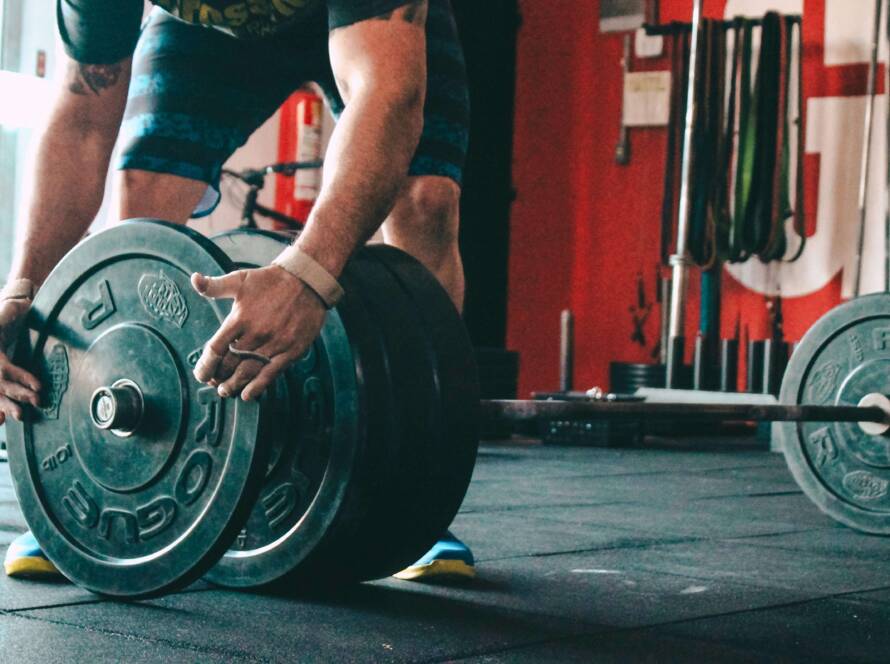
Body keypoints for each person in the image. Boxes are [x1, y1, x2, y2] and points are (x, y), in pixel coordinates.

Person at [0, 0, 474, 582]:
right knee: (143, 187)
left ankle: (414, 501)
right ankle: (111, 483)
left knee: (426, 199)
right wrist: (21, 292)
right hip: (211, 34)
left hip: (368, 25)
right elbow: (82, 113)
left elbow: (387, 94)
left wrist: (309, 274)